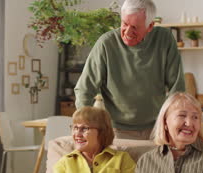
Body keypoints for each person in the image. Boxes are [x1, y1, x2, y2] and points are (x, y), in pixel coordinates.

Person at [74, 0, 185, 140]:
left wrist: (172, 123)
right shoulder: (106, 43)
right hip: (116, 130)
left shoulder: (164, 39)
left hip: (157, 128)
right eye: (124, 24)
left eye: (135, 27)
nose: (127, 32)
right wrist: (84, 126)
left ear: (150, 26)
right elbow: (85, 89)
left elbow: (177, 87)